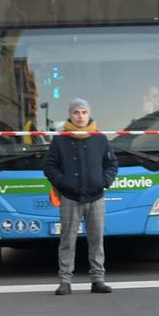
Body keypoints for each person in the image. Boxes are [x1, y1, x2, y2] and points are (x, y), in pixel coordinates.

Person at [43, 98, 118, 295]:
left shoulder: (99, 138)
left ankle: (98, 279)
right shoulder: (60, 140)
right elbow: (49, 166)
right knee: (67, 240)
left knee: (96, 239)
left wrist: (103, 181)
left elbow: (112, 164)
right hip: (70, 197)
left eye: (84, 112)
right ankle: (65, 281)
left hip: (96, 197)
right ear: (70, 115)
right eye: (76, 112)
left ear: (89, 114)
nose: (80, 116)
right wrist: (64, 182)